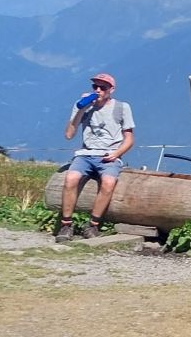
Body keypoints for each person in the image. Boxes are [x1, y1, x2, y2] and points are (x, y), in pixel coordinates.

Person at [57, 73, 135, 242]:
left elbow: (129, 139)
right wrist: (81, 109)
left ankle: (93, 225)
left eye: (103, 87)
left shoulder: (122, 108)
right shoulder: (83, 106)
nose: (98, 90)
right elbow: (69, 134)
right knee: (71, 179)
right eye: (95, 87)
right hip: (86, 153)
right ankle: (66, 225)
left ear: (111, 90)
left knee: (108, 182)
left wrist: (117, 154)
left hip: (109, 154)